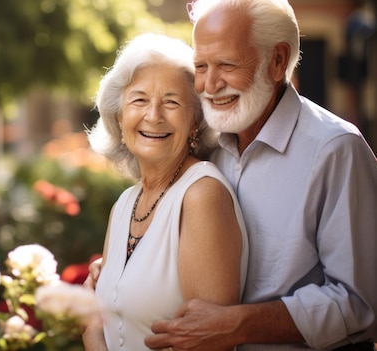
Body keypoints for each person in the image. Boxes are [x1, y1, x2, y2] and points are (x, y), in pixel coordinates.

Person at [128, 0, 377, 350]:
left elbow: (361, 302)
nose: (210, 85)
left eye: (226, 65)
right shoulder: (206, 145)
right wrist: (123, 270)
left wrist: (240, 325)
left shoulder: (336, 149)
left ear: (277, 61)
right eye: (201, 66)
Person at [81, 32, 249, 351]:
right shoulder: (124, 204)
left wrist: (91, 336)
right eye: (139, 99)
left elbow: (209, 347)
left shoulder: (201, 196)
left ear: (196, 120)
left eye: (171, 101)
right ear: (119, 115)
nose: (154, 115)